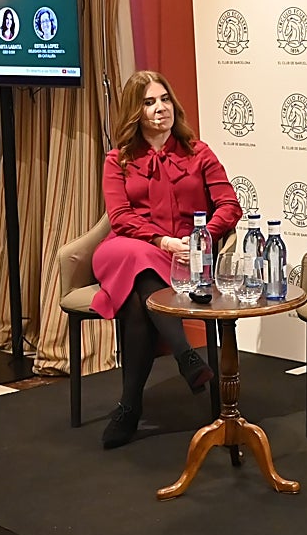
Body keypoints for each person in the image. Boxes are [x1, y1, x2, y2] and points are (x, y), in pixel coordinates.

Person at [91, 71, 242, 449]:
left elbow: (229, 205)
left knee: (140, 303)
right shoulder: (118, 160)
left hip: (184, 258)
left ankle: (129, 406)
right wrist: (161, 240)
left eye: (164, 100)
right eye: (148, 103)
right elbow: (121, 217)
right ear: (135, 112)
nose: (160, 109)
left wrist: (201, 238)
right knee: (138, 257)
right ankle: (186, 356)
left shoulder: (198, 152)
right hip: (128, 248)